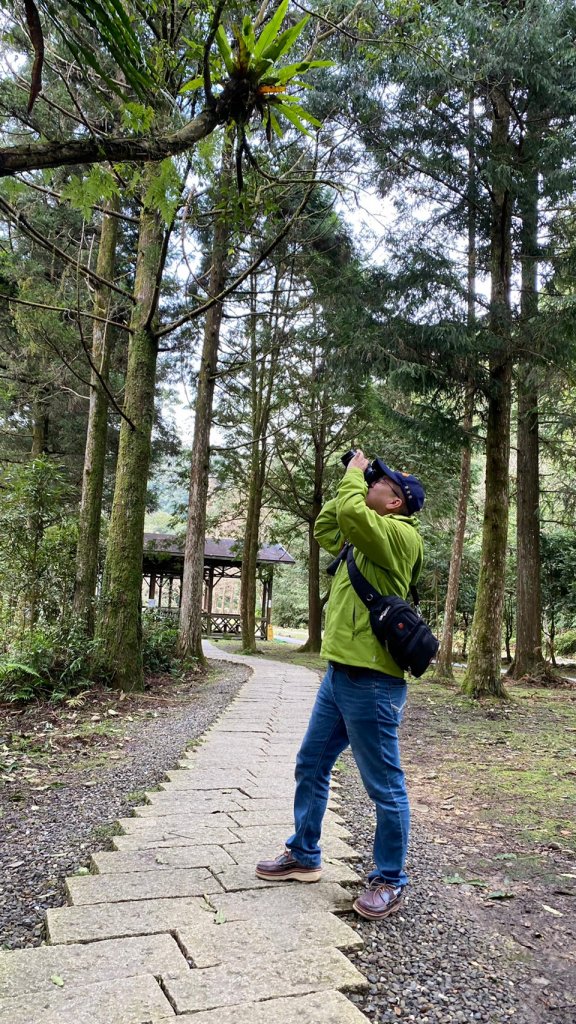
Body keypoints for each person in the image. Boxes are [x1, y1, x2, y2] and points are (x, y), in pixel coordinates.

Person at [255, 449, 425, 920]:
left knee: (384, 786)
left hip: (372, 683)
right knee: (311, 763)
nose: (370, 484)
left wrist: (353, 476)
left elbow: (352, 511)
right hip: (339, 675)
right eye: (371, 480)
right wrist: (349, 483)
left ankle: (390, 880)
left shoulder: (399, 536)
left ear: (395, 504)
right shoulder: (364, 535)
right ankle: (304, 855)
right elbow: (328, 527)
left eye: (380, 485)